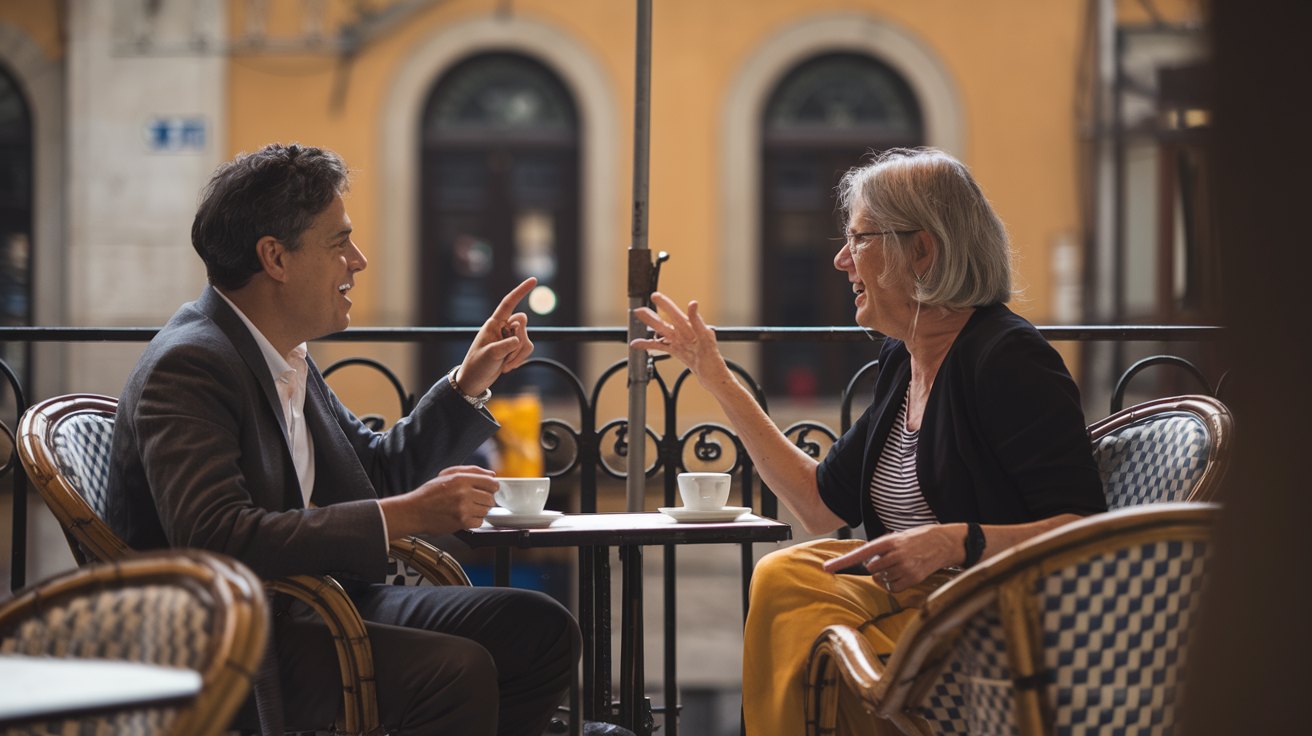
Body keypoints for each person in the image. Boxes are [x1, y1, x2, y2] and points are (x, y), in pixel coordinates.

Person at [106, 143, 579, 736]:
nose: (357, 261)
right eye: (339, 243)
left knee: (539, 629)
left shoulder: (283, 355)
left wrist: (468, 382)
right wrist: (402, 517)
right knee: (455, 671)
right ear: (275, 258)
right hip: (235, 642)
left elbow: (376, 472)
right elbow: (217, 537)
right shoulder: (191, 365)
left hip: (319, 603)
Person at [631, 148, 1107, 735]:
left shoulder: (1008, 358)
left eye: (858, 238)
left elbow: (1088, 533)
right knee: (787, 575)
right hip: (915, 609)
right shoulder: (905, 361)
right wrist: (715, 377)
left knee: (803, 606)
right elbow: (818, 505)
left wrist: (959, 541)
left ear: (923, 250)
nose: (839, 260)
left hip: (995, 614)